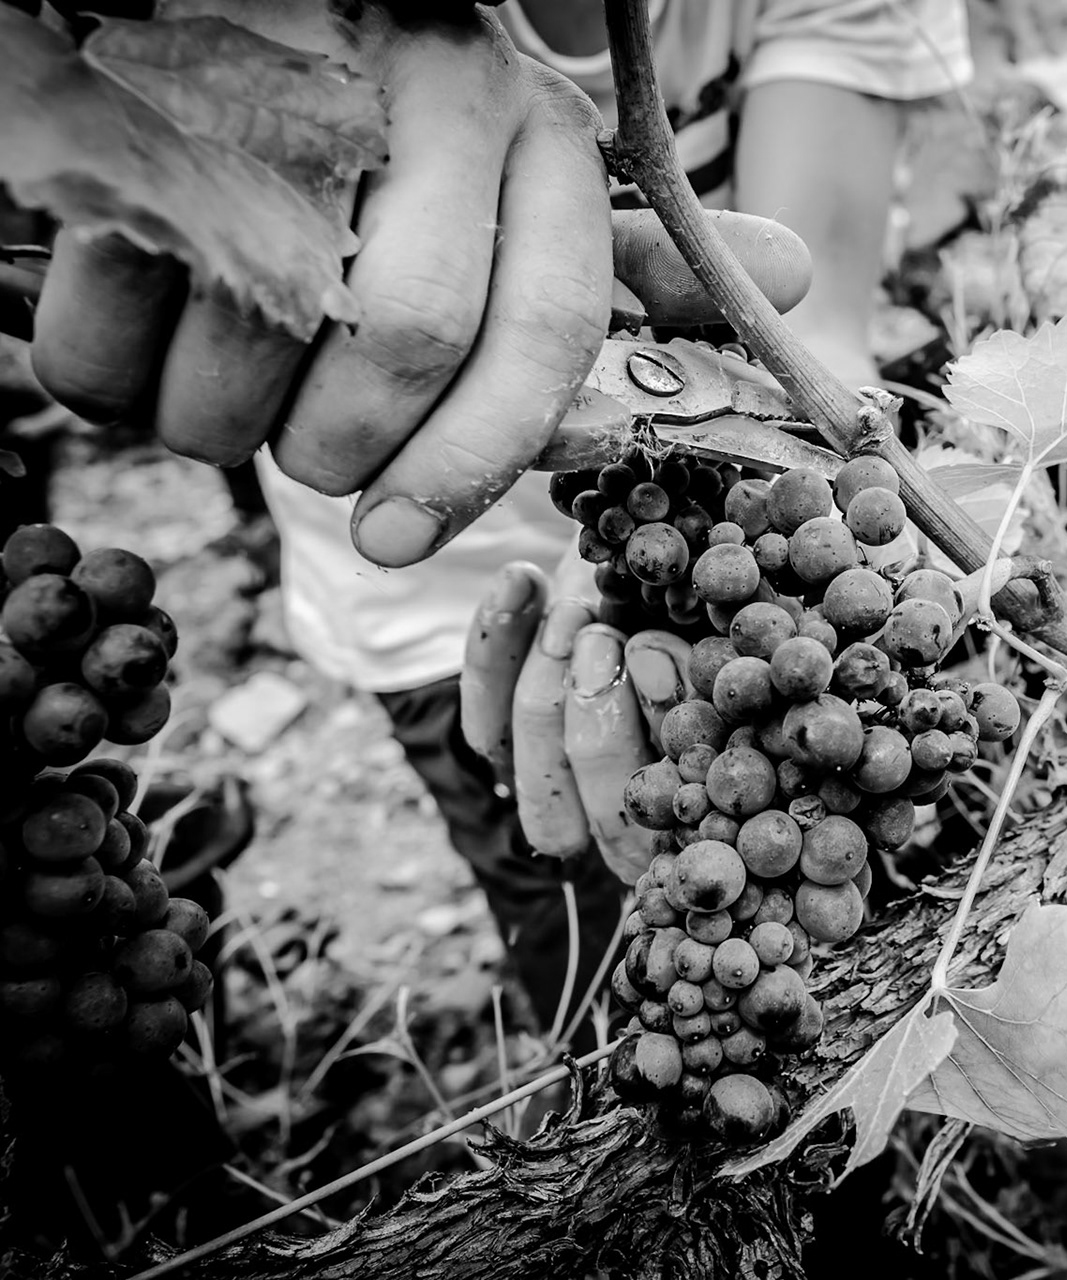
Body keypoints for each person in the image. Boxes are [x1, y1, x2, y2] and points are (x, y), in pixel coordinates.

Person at [25, 0, 972, 1040]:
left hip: (714, 617)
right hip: (428, 619)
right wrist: (261, 73)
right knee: (588, 972)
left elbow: (805, 347)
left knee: (831, 984)